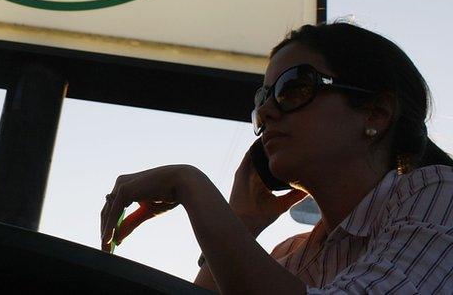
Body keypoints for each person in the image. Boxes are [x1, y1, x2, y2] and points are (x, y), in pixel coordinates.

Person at [100, 22, 453, 293]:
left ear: (376, 113)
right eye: (262, 98)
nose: (266, 111)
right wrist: (240, 222)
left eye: (294, 86)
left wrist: (187, 182)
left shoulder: (438, 194)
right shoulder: (292, 255)